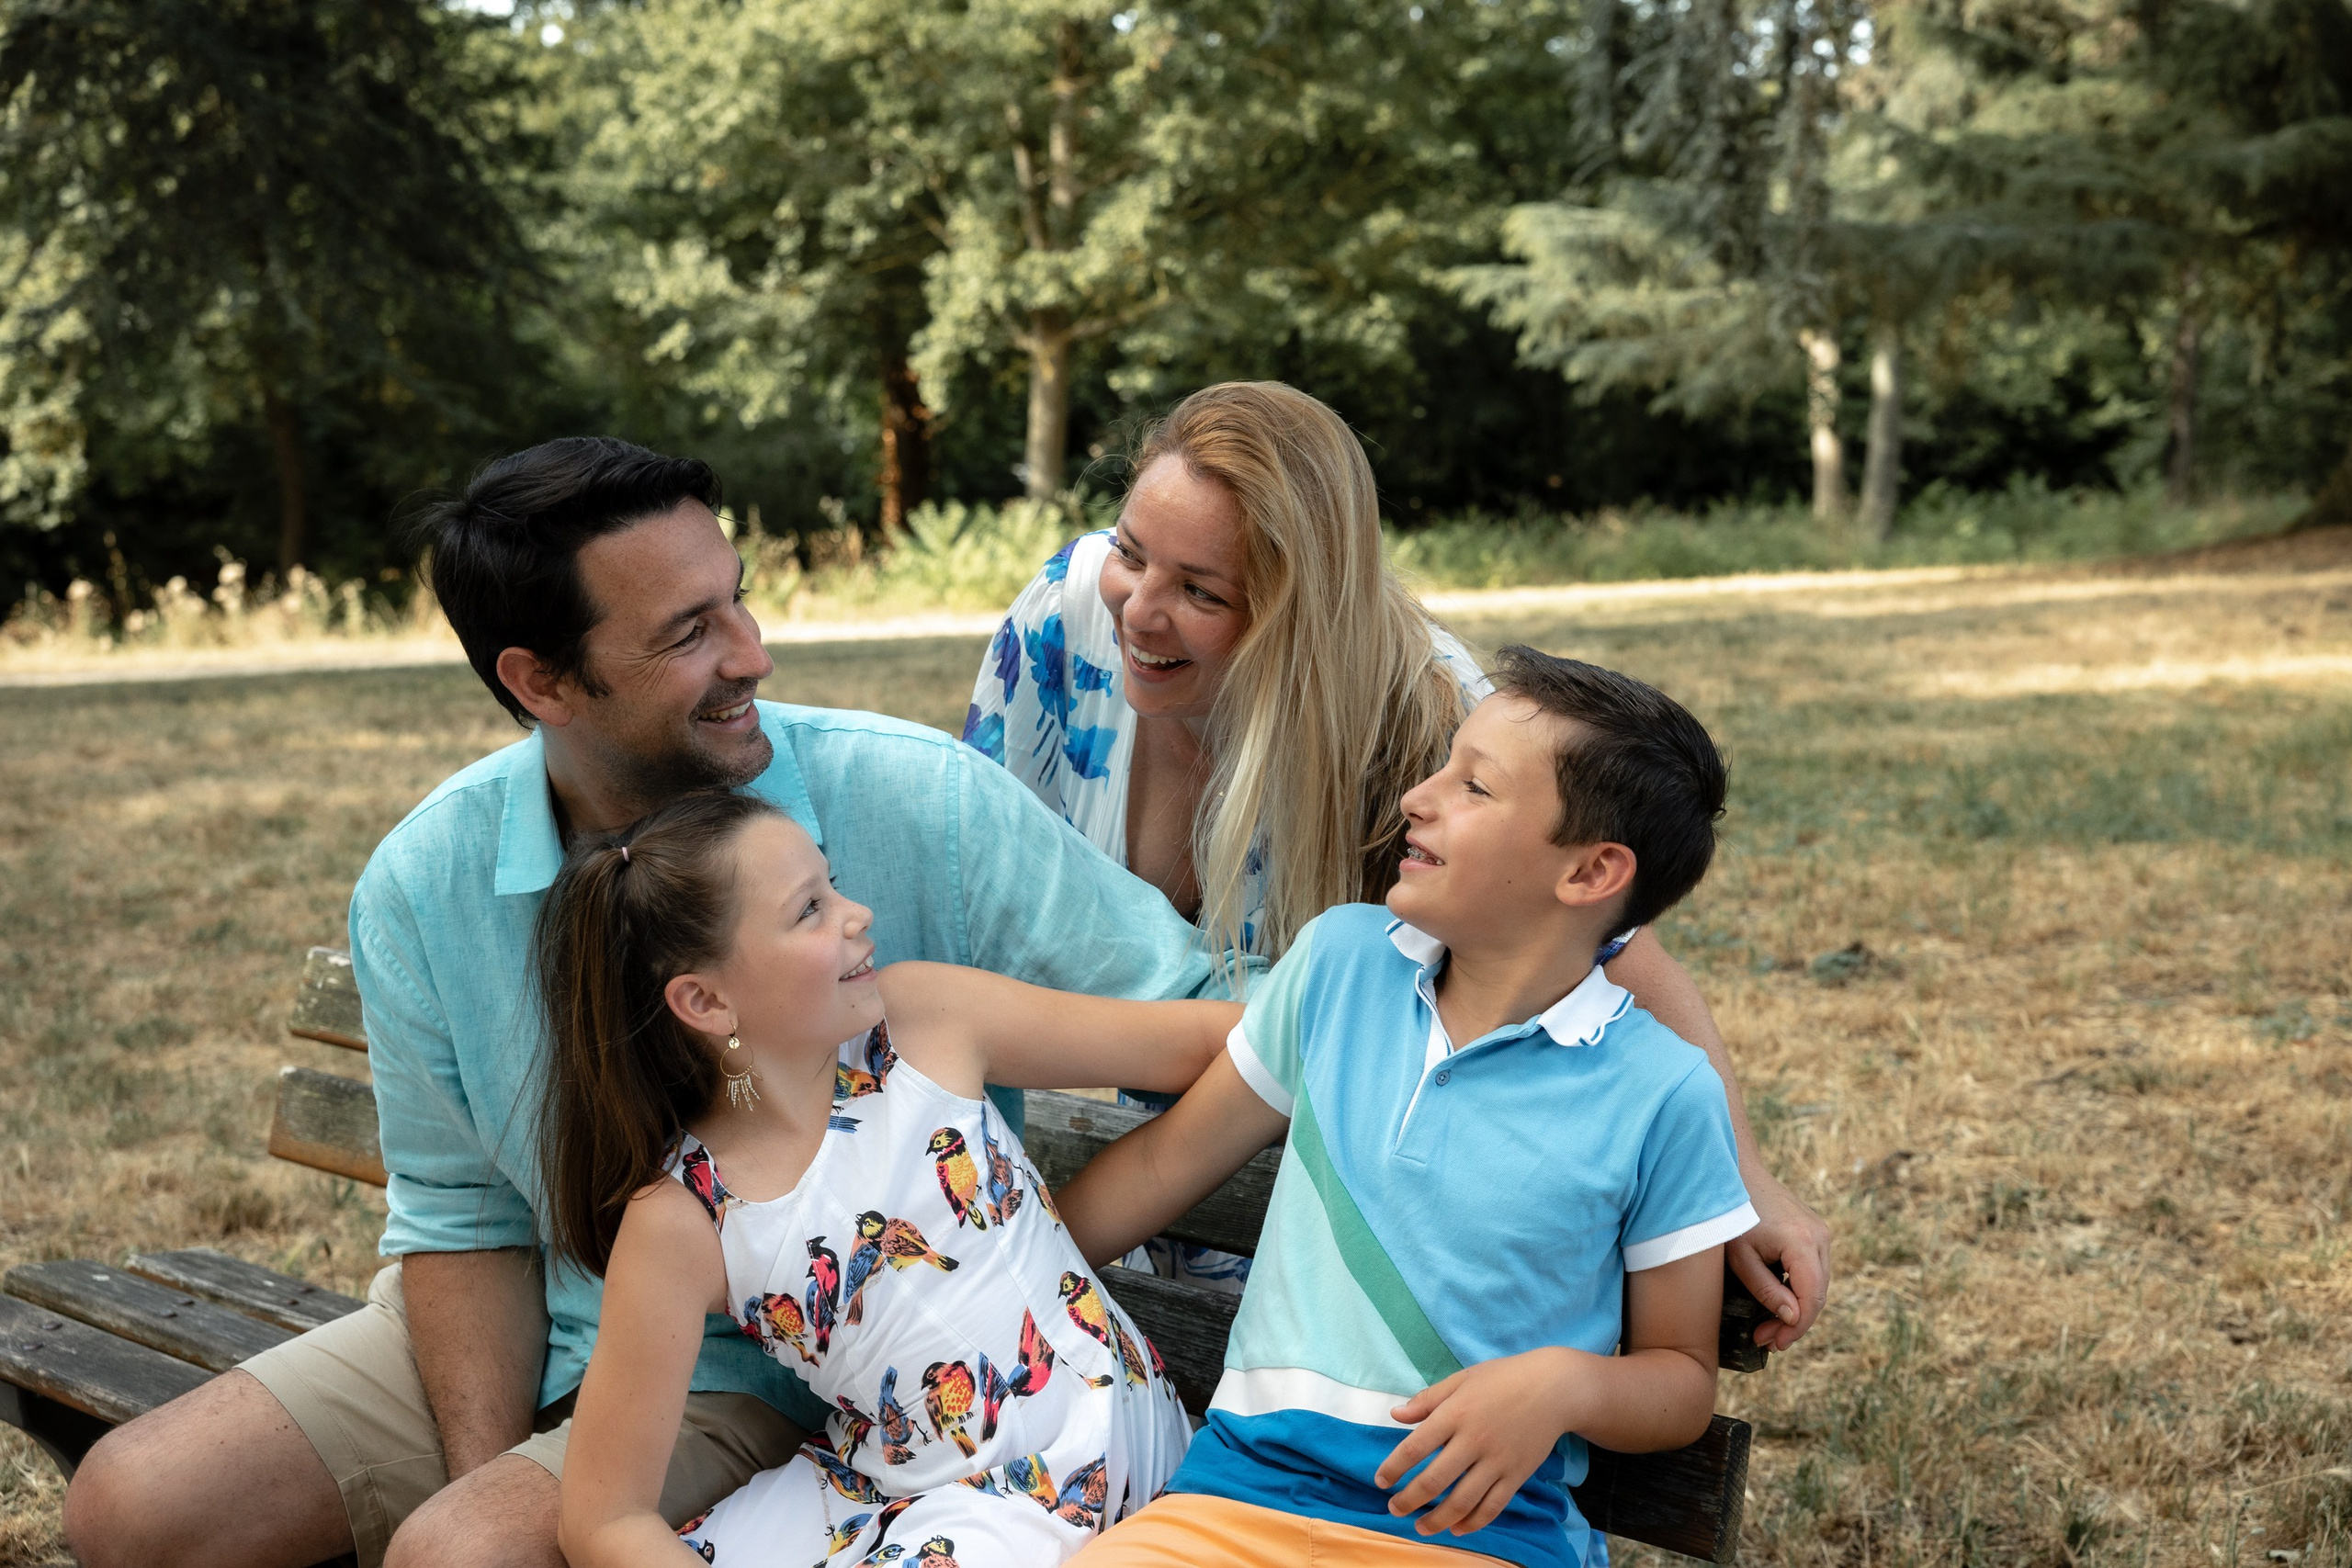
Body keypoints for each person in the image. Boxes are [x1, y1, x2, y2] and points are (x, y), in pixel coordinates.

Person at [60, 439, 1242, 1568]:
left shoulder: (913, 799)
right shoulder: (428, 885)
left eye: (737, 599)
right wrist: (502, 1471)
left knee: (473, 1548)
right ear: (541, 681)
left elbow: (1196, 1005)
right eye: (690, 632)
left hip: (776, 1373)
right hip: (535, 1333)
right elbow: (464, 1218)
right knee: (129, 1506)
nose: (753, 652)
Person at [965, 380, 1830, 1328]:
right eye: (1132, 552)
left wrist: (1748, 1178)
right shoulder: (1062, 619)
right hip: (1159, 1147)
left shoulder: (1427, 714)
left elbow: (1610, 943)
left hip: (1325, 1195)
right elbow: (972, 873)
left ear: (1298, 614)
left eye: (1201, 592)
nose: (1138, 608)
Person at [1054, 650, 1754, 1568]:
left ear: (1589, 874)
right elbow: (1159, 1167)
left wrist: (1559, 1387)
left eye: (1473, 786)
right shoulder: (1341, 965)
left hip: (1473, 1535)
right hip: (1227, 1505)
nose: (1418, 798)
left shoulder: (1661, 1093)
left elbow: (1678, 1382)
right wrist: (984, 1269)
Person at [541, 790, 1224, 1567]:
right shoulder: (682, 1215)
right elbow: (604, 1519)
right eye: (810, 909)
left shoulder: (921, 1022)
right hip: (891, 1483)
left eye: (832, 886)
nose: (857, 912)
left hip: (1074, 1458)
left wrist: (1341, 1004)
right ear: (705, 1000)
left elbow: (1197, 1043)